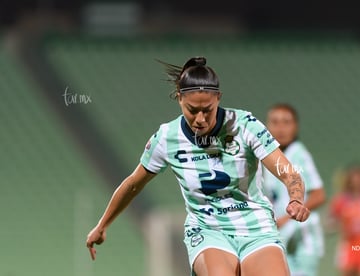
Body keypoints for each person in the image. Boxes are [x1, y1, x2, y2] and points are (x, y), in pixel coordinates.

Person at [86, 56, 310, 276]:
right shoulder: (166, 138)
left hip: (256, 228)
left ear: (219, 98)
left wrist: (296, 197)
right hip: (208, 230)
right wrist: (102, 225)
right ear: (179, 99)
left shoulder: (244, 125)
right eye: (193, 110)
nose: (200, 119)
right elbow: (133, 184)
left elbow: (288, 171)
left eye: (207, 110)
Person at [262, 104, 326, 276]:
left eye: (286, 122)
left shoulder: (298, 154)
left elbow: (319, 194)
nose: (280, 128)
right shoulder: (268, 158)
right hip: (279, 235)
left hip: (301, 237)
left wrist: (287, 218)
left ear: (296, 126)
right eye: (275, 122)